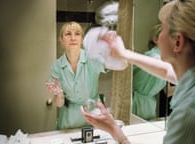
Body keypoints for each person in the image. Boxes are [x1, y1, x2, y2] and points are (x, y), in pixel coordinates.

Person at [81, 0, 195, 143]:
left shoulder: (187, 113)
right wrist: (124, 53)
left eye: (163, 29)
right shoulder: (191, 78)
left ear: (178, 42)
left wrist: (115, 132)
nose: (158, 37)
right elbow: (166, 71)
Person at [45, 21, 126, 130]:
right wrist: (59, 95)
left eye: (77, 34)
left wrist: (115, 50)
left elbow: (121, 65)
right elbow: (59, 104)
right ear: (61, 40)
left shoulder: (92, 58)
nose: (73, 38)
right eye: (68, 34)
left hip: (92, 114)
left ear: (82, 39)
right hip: (69, 119)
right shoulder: (57, 66)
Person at [132, 24, 166, 120]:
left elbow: (167, 90)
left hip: (148, 102)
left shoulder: (163, 59)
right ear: (156, 39)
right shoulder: (155, 57)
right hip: (138, 102)